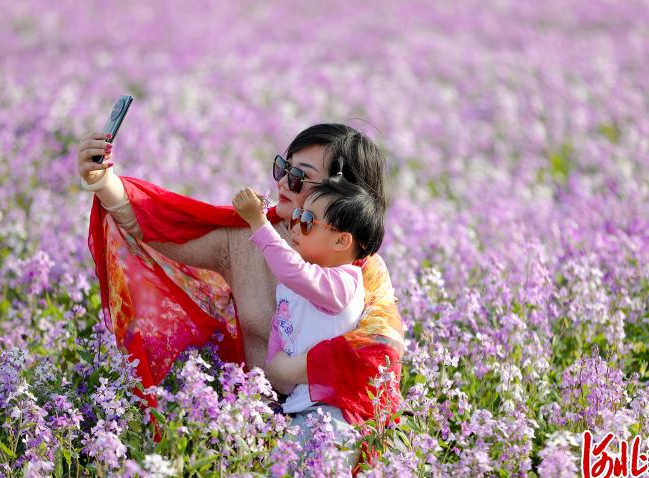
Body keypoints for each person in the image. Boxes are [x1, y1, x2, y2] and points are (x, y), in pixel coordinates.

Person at [76, 123, 404, 443]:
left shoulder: (363, 269)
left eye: (300, 176)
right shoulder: (248, 234)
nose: (284, 183)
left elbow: (378, 357)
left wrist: (292, 370)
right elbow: (161, 225)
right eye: (283, 168)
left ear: (341, 194)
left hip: (332, 429)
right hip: (252, 429)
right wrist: (103, 181)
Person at [231, 170, 384, 455]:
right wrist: (275, 372)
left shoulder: (345, 282)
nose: (295, 226)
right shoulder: (290, 288)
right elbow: (279, 355)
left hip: (334, 415)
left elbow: (295, 273)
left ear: (341, 242)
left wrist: (258, 222)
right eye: (299, 216)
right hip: (298, 412)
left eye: (308, 221)